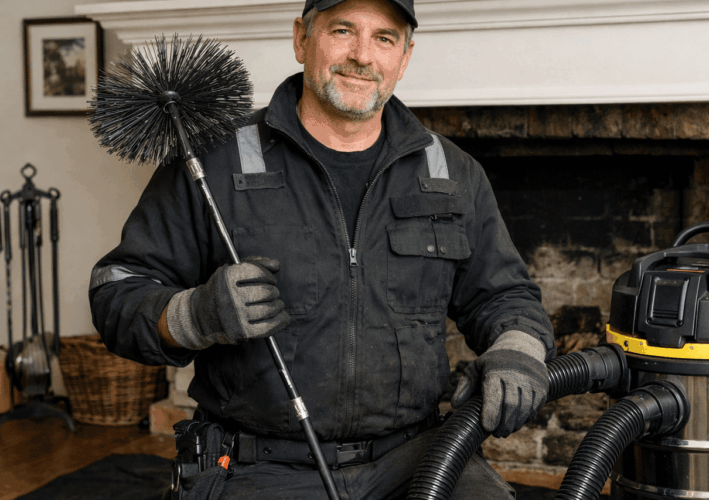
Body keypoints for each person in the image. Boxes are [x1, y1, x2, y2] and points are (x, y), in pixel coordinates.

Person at [89, 0, 555, 498]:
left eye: (384, 38)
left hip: (417, 456)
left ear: (405, 56)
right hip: (255, 466)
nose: (361, 55)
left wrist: (517, 350)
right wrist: (194, 315)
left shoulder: (451, 171)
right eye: (342, 30)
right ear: (301, 39)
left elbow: (504, 295)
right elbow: (116, 293)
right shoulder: (214, 160)